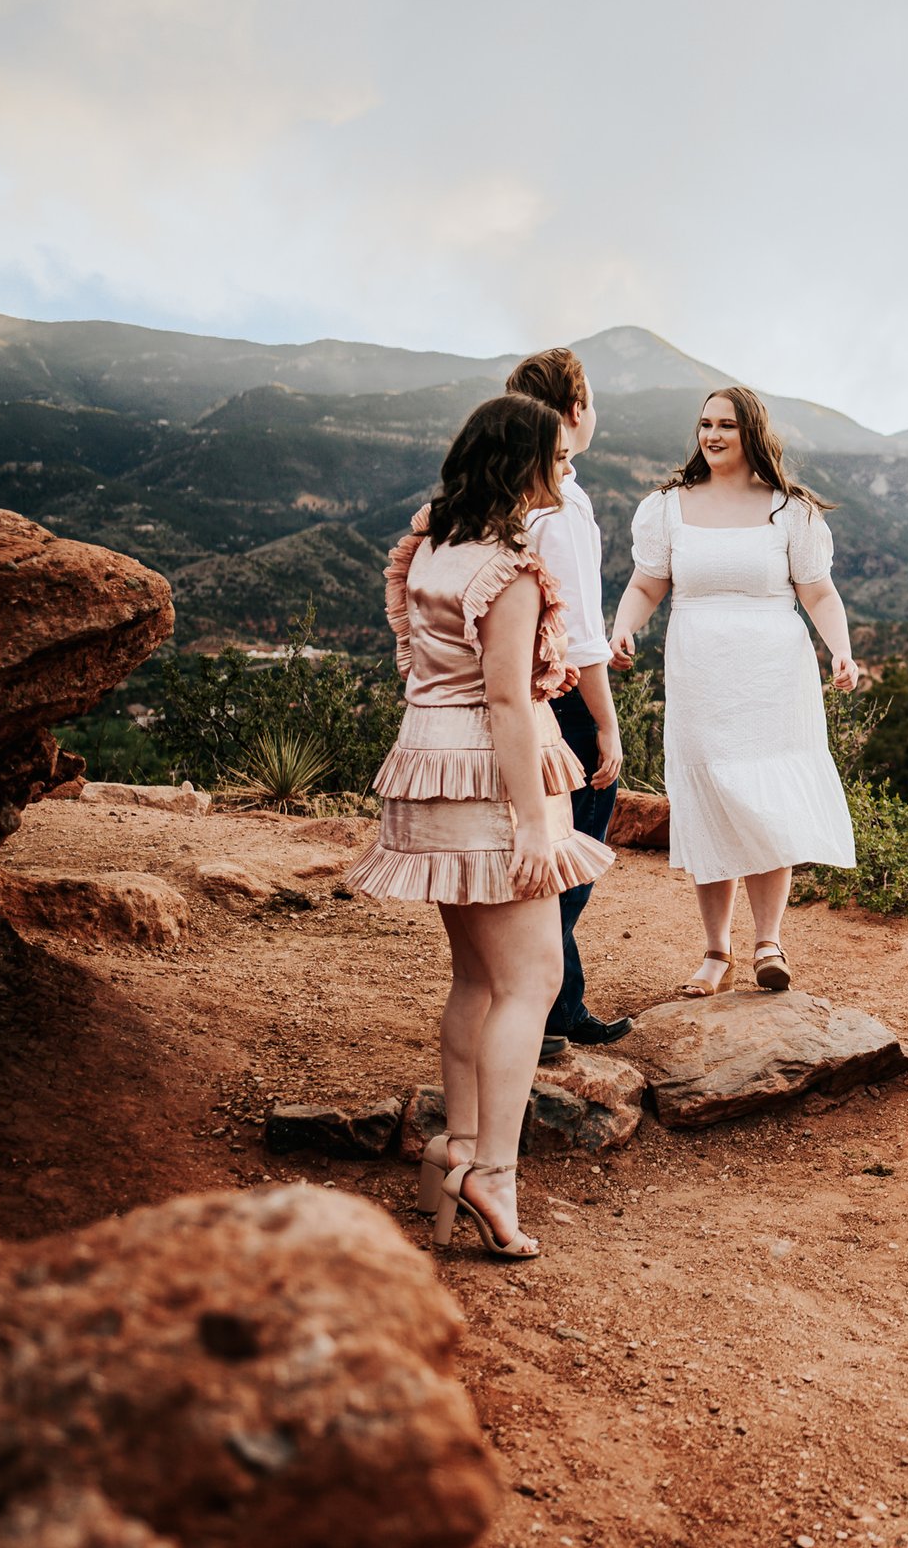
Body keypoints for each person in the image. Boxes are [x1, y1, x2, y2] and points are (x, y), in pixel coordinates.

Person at [346, 392, 615, 1259]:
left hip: (428, 767)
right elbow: (506, 697)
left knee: (475, 977)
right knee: (532, 980)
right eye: (556, 455)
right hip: (488, 780)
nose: (567, 465)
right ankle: (491, 1172)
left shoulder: (432, 546)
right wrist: (534, 827)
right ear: (521, 465)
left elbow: (426, 666)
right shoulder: (509, 568)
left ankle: (455, 1145)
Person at [609, 386, 858, 993]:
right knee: (711, 798)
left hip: (774, 673)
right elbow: (647, 585)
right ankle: (715, 951)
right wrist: (622, 628)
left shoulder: (790, 510)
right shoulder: (667, 507)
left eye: (726, 425)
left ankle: (768, 942)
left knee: (765, 795)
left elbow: (818, 592)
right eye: (704, 424)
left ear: (752, 433)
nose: (712, 435)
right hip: (701, 670)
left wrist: (840, 649)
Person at [505, 348, 629, 1063]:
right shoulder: (566, 506)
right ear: (576, 412)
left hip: (520, 696)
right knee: (575, 855)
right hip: (565, 702)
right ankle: (549, 1007)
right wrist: (607, 722)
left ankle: (563, 1001)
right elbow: (580, 634)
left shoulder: (513, 496)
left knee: (549, 849)